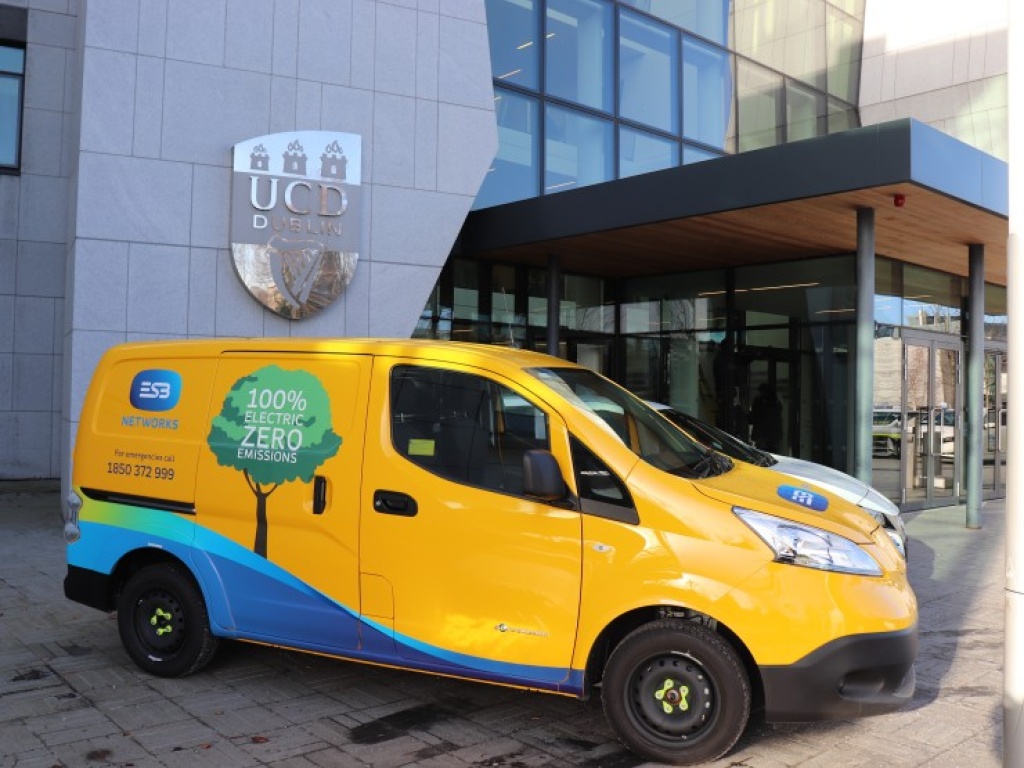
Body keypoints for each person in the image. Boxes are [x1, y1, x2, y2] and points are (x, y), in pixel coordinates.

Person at [749, 382, 782, 452]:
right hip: (773, 436)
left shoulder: (759, 402)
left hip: (762, 435)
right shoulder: (776, 403)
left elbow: (753, 418)